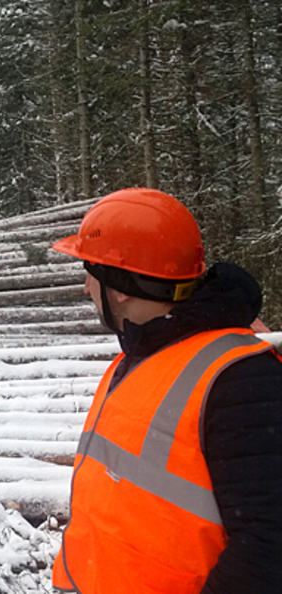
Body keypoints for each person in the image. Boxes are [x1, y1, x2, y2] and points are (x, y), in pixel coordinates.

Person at [49, 187, 282, 593]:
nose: (86, 288)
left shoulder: (241, 381)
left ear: (119, 286)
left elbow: (269, 549)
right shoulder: (137, 358)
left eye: (90, 271)